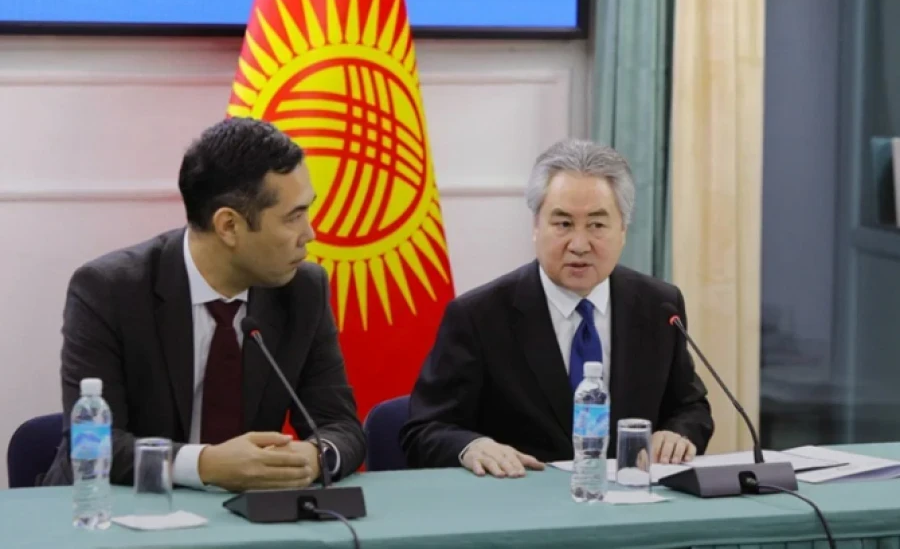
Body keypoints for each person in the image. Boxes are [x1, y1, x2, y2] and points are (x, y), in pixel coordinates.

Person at [43, 118, 366, 491]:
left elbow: (341, 428)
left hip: (246, 513)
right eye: (293, 217)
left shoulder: (303, 290)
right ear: (228, 226)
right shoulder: (109, 290)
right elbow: (92, 444)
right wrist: (205, 465)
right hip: (115, 510)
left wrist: (314, 456)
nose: (309, 233)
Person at [400, 139, 714, 478]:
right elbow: (425, 429)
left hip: (630, 496)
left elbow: (690, 407)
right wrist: (471, 446)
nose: (579, 245)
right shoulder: (479, 316)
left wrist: (678, 433)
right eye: (563, 224)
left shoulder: (658, 306)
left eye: (596, 225)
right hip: (521, 497)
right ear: (536, 226)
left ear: (623, 230)